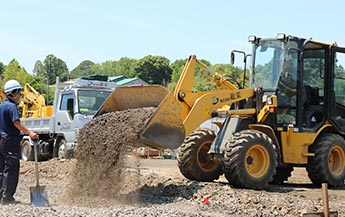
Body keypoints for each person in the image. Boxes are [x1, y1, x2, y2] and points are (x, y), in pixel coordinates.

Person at [0, 80, 38, 205]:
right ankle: (7, 197)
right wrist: (30, 132)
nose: (20, 95)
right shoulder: (11, 107)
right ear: (13, 93)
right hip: (10, 141)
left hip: (1, 140)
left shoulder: (1, 106)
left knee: (2, 169)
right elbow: (16, 123)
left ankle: (1, 195)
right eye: (19, 92)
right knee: (11, 168)